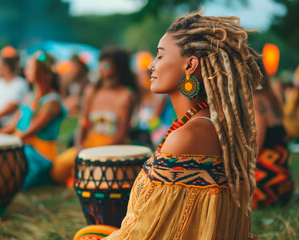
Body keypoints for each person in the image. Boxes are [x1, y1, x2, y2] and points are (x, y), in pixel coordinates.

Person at [75, 12, 262, 240]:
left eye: (160, 56)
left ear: (190, 65)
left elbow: (149, 232)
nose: (151, 66)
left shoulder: (189, 136)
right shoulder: (211, 123)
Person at [51, 46, 137, 185]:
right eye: (100, 64)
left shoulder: (127, 95)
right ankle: (78, 176)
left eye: (107, 64)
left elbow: (121, 134)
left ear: (119, 67)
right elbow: (82, 123)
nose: (102, 68)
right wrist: (79, 147)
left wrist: (96, 152)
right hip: (89, 144)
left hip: (113, 148)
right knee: (58, 169)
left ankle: (78, 178)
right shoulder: (91, 91)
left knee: (99, 176)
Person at [0, 51, 67, 189]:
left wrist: (8, 144)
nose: (25, 70)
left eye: (30, 67)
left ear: (41, 72)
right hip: (23, 146)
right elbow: (12, 125)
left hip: (40, 156)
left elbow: (31, 130)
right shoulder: (28, 97)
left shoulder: (52, 101)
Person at [252, 60, 294, 209]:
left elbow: (256, 145)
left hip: (267, 188)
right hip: (283, 184)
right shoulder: (271, 97)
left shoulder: (256, 102)